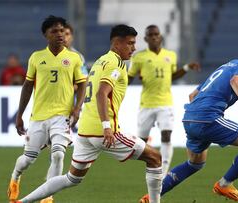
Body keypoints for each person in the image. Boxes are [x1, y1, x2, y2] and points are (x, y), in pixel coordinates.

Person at [13, 24, 163, 203]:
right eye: (130, 43)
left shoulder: (100, 61)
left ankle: (22, 202)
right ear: (117, 43)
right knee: (155, 158)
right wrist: (107, 126)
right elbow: (101, 93)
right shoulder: (116, 63)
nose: (134, 48)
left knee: (72, 178)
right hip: (103, 131)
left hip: (86, 131)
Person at [140, 43, 238, 202]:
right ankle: (224, 184)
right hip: (208, 119)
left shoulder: (228, 66)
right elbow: (236, 81)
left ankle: (151, 197)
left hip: (189, 117)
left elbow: (193, 94)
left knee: (194, 164)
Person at [7, 15, 87, 203]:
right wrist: (20, 115)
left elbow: (82, 84)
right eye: (54, 31)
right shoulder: (36, 57)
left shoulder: (74, 58)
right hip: (39, 117)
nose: (60, 34)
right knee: (28, 159)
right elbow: (27, 86)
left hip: (62, 116)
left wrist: (77, 108)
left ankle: (48, 196)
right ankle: (15, 176)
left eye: (62, 31)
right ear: (46, 35)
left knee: (58, 154)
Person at [128, 25, 200, 177]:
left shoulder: (170, 55)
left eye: (156, 34)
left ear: (160, 37)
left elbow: (171, 76)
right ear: (146, 39)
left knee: (166, 135)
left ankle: (163, 170)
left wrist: (186, 67)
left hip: (165, 103)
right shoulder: (139, 57)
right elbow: (130, 77)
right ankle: (151, 164)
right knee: (142, 141)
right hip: (146, 104)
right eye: (150, 35)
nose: (154, 37)